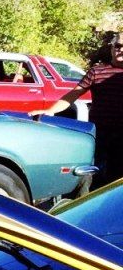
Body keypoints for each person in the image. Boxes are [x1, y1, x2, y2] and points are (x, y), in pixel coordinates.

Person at [31, 31, 123, 189]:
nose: (120, 49)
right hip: (99, 135)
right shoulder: (96, 72)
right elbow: (72, 96)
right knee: (95, 178)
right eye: (118, 45)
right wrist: (48, 111)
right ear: (112, 48)